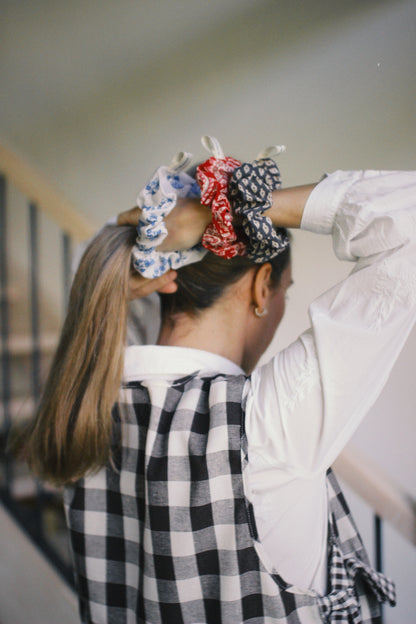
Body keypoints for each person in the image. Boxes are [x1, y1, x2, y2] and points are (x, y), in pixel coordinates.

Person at [25, 137, 416, 623]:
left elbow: (101, 249)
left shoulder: (85, 401)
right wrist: (220, 213)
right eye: (284, 292)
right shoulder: (263, 423)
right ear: (260, 287)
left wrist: (192, 220)